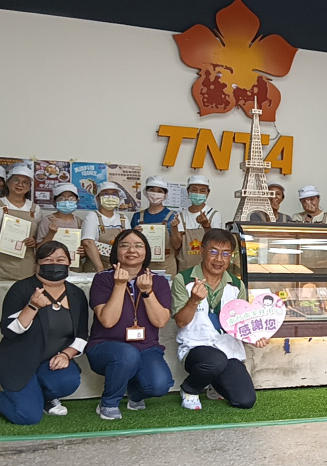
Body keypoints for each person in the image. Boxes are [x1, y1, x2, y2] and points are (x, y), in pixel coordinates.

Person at [0, 241, 88, 425]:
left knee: (68, 380)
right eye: (48, 260)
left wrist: (66, 354)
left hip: (49, 362)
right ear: (37, 264)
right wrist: (32, 306)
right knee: (27, 417)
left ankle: (44, 399)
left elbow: (82, 335)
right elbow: (9, 331)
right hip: (18, 362)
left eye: (60, 259)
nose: (55, 264)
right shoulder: (21, 289)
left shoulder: (76, 294)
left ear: (69, 263)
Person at [171, 229, 268, 410]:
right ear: (202, 251)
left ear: (231, 256)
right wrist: (194, 300)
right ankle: (190, 389)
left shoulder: (236, 284)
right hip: (196, 347)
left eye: (225, 254)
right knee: (215, 361)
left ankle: (214, 384)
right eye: (213, 252)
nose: (219, 259)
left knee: (245, 400)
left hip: (228, 349)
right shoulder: (183, 280)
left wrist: (255, 336)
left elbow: (241, 323)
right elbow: (181, 322)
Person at [86, 229, 174, 420]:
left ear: (146, 252)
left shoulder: (158, 281)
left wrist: (147, 291)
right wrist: (119, 285)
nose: (132, 250)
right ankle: (108, 403)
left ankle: (134, 391)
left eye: (138, 246)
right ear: (116, 251)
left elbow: (160, 321)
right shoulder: (103, 278)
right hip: (106, 346)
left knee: (159, 385)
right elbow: (107, 321)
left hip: (145, 347)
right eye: (124, 245)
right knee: (127, 354)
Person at [0, 165, 43, 281]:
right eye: (16, 180)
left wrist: (33, 241)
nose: (20, 184)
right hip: (0, 266)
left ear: (29, 187)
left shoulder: (35, 209)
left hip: (27, 265)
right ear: (8, 183)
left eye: (25, 182)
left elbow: (39, 238)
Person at [131, 176, 183, 276]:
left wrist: (174, 228)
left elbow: (177, 245)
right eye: (151, 190)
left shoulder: (173, 216)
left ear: (165, 194)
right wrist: (134, 234)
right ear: (146, 192)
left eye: (159, 191)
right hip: (142, 264)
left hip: (166, 265)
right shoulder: (137, 216)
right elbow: (131, 243)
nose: (155, 194)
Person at [176, 175, 222, 273]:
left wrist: (206, 226)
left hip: (207, 269)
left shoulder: (214, 215)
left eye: (202, 191)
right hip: (185, 268)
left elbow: (217, 243)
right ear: (188, 192)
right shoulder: (181, 216)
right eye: (194, 190)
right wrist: (174, 228)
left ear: (208, 193)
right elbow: (176, 246)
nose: (198, 194)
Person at [82, 181, 130, 273]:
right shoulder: (92, 216)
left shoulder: (123, 218)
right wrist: (100, 269)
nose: (110, 197)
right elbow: (88, 243)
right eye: (105, 194)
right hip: (95, 267)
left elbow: (129, 244)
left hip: (119, 268)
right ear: (98, 198)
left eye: (114, 194)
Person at [36, 183, 86, 270]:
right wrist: (51, 233)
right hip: (52, 268)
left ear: (77, 201)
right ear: (55, 201)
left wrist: (83, 253)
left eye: (71, 198)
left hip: (75, 268)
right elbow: (39, 250)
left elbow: (83, 251)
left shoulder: (79, 222)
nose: (67, 202)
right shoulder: (47, 221)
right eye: (62, 198)